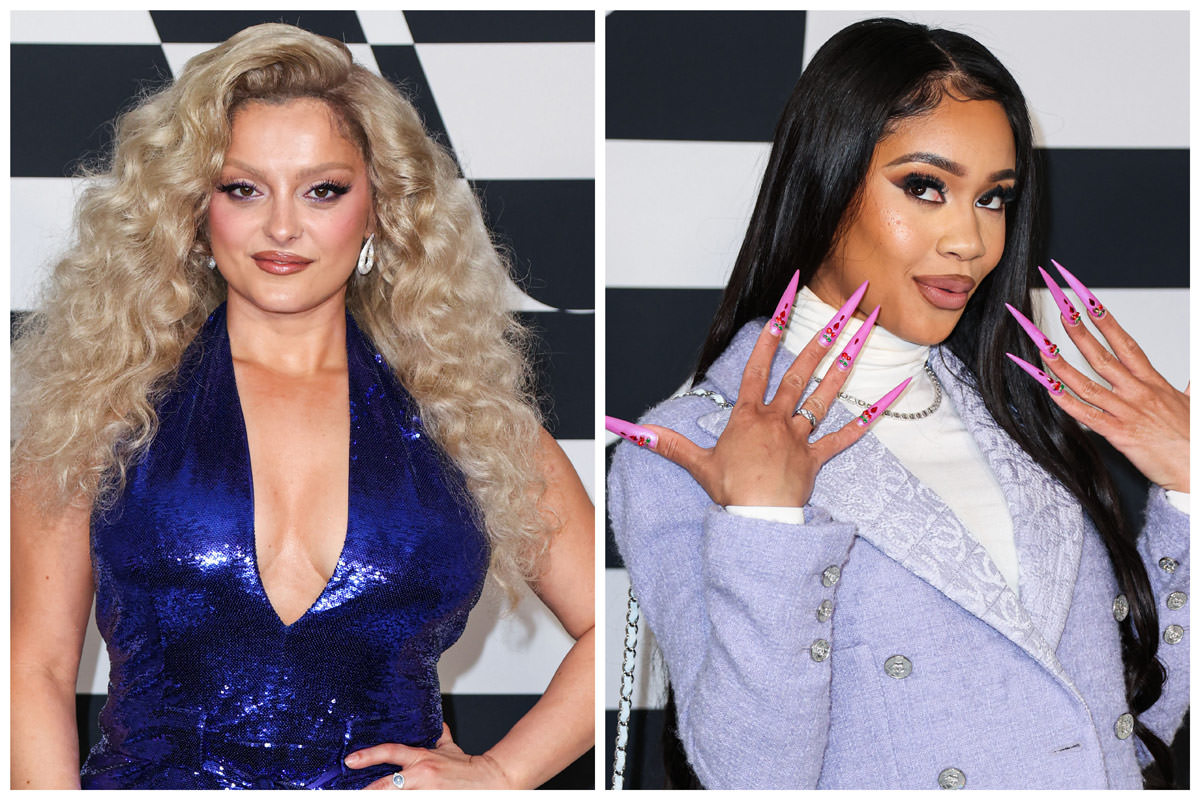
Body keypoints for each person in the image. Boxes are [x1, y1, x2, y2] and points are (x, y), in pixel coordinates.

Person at [606, 18, 1188, 790]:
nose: (970, 242)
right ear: (827, 178)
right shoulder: (687, 449)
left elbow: (1131, 727)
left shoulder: (1021, 415)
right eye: (925, 187)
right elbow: (753, 777)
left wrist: (1189, 488)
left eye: (993, 198)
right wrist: (767, 525)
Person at [11, 23, 594, 790]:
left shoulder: (466, 419)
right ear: (192, 207)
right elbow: (36, 671)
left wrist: (503, 772)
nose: (282, 227)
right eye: (242, 188)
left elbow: (614, 625)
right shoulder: (95, 405)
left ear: (380, 207)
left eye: (323, 189)